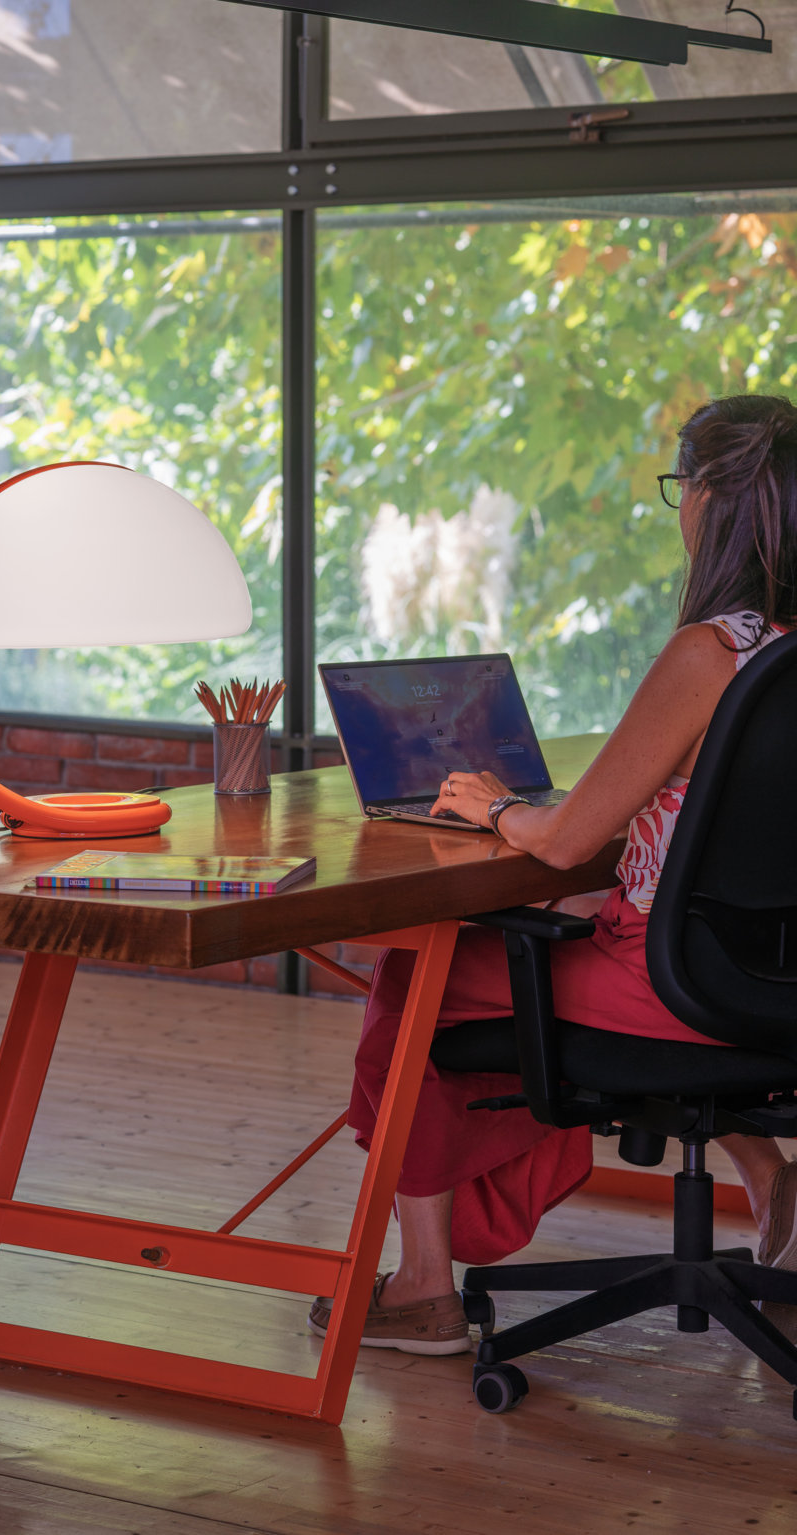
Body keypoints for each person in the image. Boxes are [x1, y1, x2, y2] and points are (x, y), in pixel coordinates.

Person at [309, 394, 797, 1356]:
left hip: (672, 984)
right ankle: (773, 1177)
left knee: (418, 978)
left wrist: (498, 807)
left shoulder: (712, 652)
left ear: (712, 499)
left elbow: (569, 841)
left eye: (681, 487)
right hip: (771, 976)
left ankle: (423, 1287)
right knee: (561, 911)